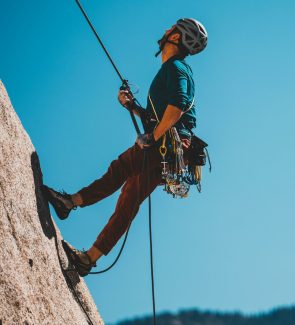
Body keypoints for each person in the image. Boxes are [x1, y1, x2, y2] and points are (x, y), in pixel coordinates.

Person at [43, 18, 208, 276]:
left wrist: (152, 137)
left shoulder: (175, 68)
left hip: (166, 143)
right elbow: (164, 114)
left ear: (176, 38)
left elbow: (176, 109)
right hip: (174, 152)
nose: (165, 30)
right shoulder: (174, 69)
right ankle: (89, 258)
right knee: (129, 199)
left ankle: (69, 202)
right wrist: (132, 106)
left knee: (119, 169)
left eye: (171, 29)